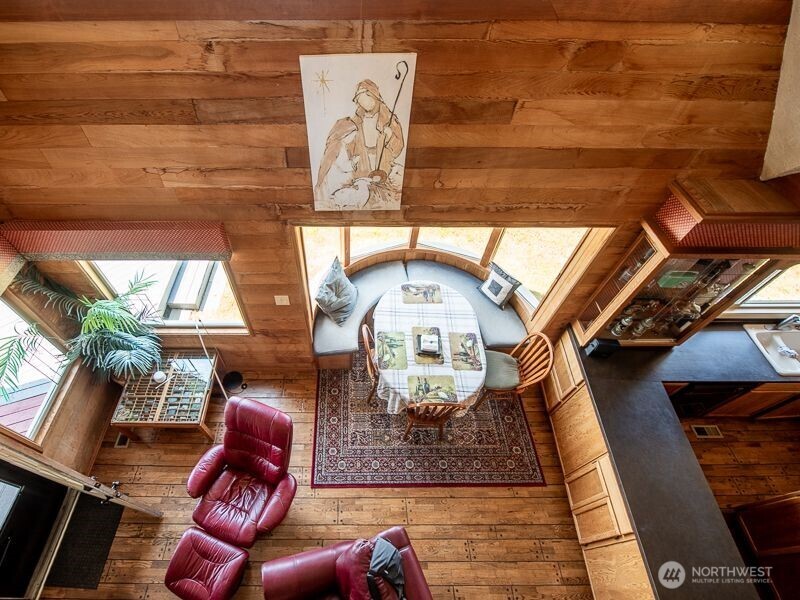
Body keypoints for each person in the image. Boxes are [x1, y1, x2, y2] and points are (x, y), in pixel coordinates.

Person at [315, 79, 404, 210]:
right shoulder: (356, 122)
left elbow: (397, 148)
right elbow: (347, 146)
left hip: (383, 168)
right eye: (360, 99)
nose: (364, 102)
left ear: (374, 96)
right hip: (362, 170)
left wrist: (390, 135)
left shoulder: (388, 120)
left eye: (366, 97)